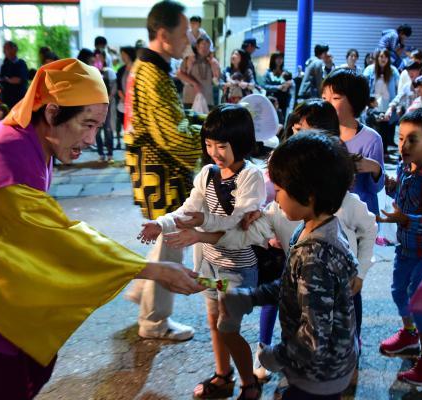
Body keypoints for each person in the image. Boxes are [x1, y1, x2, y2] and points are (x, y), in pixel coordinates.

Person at [0, 58, 204, 399]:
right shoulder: (7, 154)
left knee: (34, 360)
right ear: (52, 112)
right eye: (86, 124)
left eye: (98, 127)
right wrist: (149, 269)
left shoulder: (33, 140)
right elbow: (54, 239)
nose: (91, 138)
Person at [217, 132, 358, 400]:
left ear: (309, 196)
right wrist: (250, 298)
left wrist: (275, 357)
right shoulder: (315, 230)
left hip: (318, 374)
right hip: (322, 366)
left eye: (280, 191)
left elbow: (313, 337)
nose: (275, 198)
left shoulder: (315, 256)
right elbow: (292, 286)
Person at [140, 104, 265, 399]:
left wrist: (199, 231)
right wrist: (161, 223)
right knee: (214, 320)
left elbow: (239, 222)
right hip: (211, 266)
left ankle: (250, 382)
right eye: (209, 145)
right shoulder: (207, 174)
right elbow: (189, 210)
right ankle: (224, 376)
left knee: (228, 327)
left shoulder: (251, 177)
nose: (214, 152)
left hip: (237, 270)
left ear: (241, 141)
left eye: (221, 145)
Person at [123, 1, 203, 341]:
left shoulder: (149, 67)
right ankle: (154, 320)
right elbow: (173, 135)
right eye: (183, 32)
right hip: (161, 170)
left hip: (154, 169)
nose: (188, 39)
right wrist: (211, 138)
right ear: (162, 33)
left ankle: (143, 289)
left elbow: (173, 125)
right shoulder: (153, 73)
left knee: (166, 237)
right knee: (172, 237)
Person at [377, 107, 422, 386]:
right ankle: (410, 335)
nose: (404, 145)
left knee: (421, 303)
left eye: (412, 140)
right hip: (407, 247)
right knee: (398, 291)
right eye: (400, 138)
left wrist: (403, 218)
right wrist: (388, 182)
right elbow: (401, 192)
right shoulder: (404, 167)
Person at [322, 68, 385, 216]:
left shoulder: (371, 138)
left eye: (335, 98)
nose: (327, 104)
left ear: (355, 101)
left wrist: (374, 168)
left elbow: (375, 189)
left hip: (361, 218)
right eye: (324, 98)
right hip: (329, 214)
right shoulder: (321, 133)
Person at [363, 49, 400, 157]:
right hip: (373, 106)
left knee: (385, 130)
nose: (383, 59)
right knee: (372, 130)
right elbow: (364, 87)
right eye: (381, 56)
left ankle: (383, 151)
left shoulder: (393, 71)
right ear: (377, 58)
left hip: (387, 106)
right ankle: (371, 152)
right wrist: (366, 104)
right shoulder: (369, 70)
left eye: (385, 57)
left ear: (388, 59)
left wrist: (394, 106)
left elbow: (399, 88)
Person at [179, 37, 220, 109]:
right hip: (190, 99)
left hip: (207, 100)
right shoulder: (189, 59)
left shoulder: (212, 62)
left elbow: (216, 82)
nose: (205, 48)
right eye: (203, 44)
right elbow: (179, 74)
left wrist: (214, 67)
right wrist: (194, 83)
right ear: (197, 46)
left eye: (208, 46)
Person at [94, 49, 117, 162]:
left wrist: (107, 99)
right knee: (97, 131)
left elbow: (113, 88)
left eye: (100, 57)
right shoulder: (92, 72)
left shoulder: (109, 71)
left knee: (108, 129)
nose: (98, 60)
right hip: (94, 107)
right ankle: (101, 154)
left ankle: (110, 154)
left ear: (104, 58)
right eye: (96, 57)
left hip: (107, 105)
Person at [116, 46, 136, 150]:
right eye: (121, 55)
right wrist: (125, 99)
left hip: (136, 105)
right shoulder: (121, 70)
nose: (122, 57)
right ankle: (130, 152)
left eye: (124, 54)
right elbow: (119, 87)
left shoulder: (137, 68)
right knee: (127, 131)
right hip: (124, 105)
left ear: (129, 55)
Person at [0, 41, 29, 110]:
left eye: (6, 48)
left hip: (19, 98)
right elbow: (1, 79)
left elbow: (19, 80)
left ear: (14, 50)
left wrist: (8, 80)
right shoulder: (4, 65)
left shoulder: (21, 63)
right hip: (6, 99)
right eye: (4, 49)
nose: (4, 51)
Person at [263, 52, 293, 119]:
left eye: (281, 58)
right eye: (277, 58)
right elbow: (265, 86)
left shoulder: (286, 72)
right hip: (272, 99)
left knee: (282, 119)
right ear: (273, 59)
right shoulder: (268, 72)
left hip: (283, 100)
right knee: (270, 118)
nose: (279, 60)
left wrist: (288, 85)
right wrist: (278, 87)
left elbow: (291, 83)